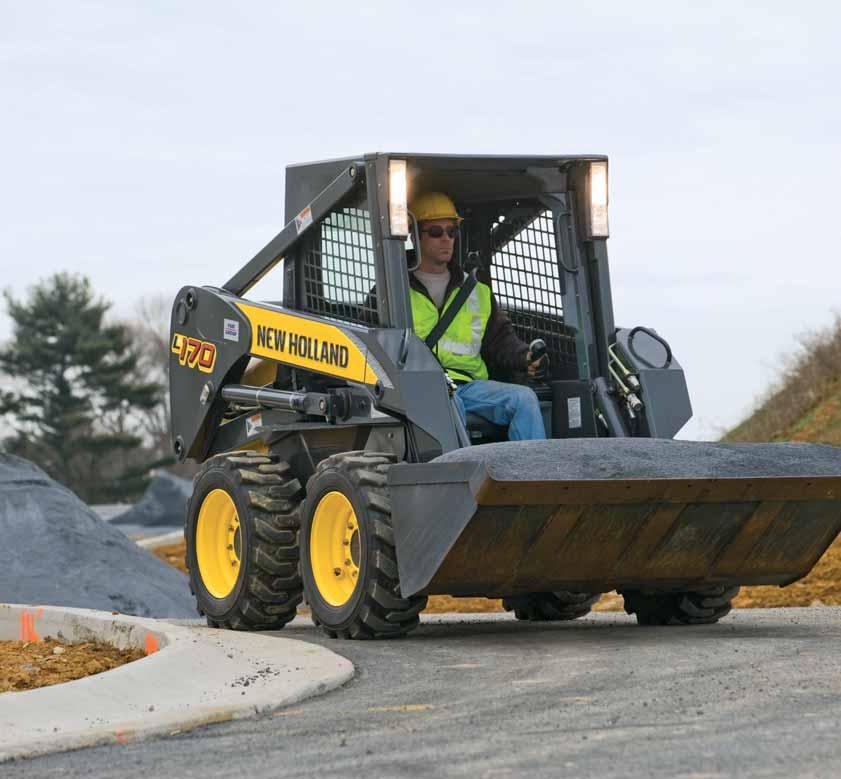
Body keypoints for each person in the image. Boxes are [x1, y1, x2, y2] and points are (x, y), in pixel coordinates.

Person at [408, 191, 547, 441]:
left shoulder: (476, 291)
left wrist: (526, 357)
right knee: (449, 405)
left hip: (470, 385)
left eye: (452, 232)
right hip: (421, 389)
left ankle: (532, 478)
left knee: (524, 399)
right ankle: (461, 478)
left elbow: (500, 339)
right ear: (414, 235)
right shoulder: (394, 290)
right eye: (436, 232)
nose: (446, 240)